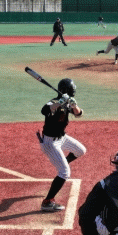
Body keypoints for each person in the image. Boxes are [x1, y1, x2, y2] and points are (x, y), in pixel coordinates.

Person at [36, 78, 86, 211]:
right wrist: (60, 103)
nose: (74, 91)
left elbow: (79, 114)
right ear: (65, 90)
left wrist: (74, 105)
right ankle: (47, 202)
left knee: (81, 150)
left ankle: (63, 161)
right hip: (50, 142)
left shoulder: (68, 102)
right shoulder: (53, 102)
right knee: (64, 172)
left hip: (62, 138)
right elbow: (44, 110)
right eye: (72, 89)